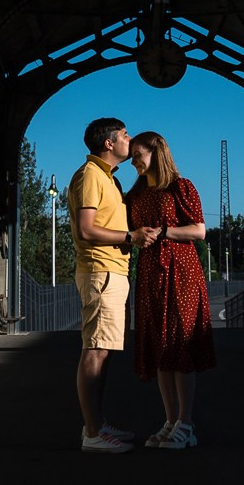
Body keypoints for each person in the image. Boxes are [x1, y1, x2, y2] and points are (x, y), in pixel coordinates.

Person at [67, 117, 160, 453]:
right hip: (101, 272)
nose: (129, 138)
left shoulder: (105, 178)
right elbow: (86, 229)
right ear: (108, 143)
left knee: (103, 351)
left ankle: (97, 424)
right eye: (124, 135)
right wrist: (129, 237)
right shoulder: (91, 176)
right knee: (95, 350)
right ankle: (92, 434)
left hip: (111, 271)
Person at [124, 131, 216, 450]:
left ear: (156, 151)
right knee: (160, 349)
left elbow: (200, 230)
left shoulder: (181, 186)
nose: (133, 161)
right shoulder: (134, 194)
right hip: (150, 272)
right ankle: (170, 420)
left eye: (138, 154)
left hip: (180, 271)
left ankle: (186, 424)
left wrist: (164, 231)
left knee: (178, 345)